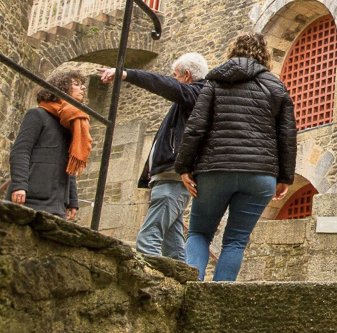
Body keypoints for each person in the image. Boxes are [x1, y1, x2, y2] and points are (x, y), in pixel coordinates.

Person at [175, 32, 296, 281]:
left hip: (215, 169)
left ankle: (191, 290)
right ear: (265, 55)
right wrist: (285, 177)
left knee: (199, 233)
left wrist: (184, 167)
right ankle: (221, 296)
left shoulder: (215, 81)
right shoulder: (276, 87)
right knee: (236, 240)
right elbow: (287, 136)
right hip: (260, 174)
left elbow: (196, 127)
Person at [98, 52, 208, 262]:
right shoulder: (191, 98)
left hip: (173, 177)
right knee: (171, 241)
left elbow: (163, 84)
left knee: (148, 238)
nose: (173, 79)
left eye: (175, 75)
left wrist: (126, 74)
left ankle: (147, 286)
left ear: (186, 76)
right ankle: (181, 284)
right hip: (169, 176)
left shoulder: (196, 93)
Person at [8, 70, 91, 220]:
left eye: (83, 84)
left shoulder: (69, 124)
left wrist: (72, 201)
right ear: (62, 87)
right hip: (30, 198)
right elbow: (20, 151)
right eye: (77, 84)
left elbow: (70, 165)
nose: (83, 88)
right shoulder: (37, 115)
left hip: (57, 204)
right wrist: (19, 185)